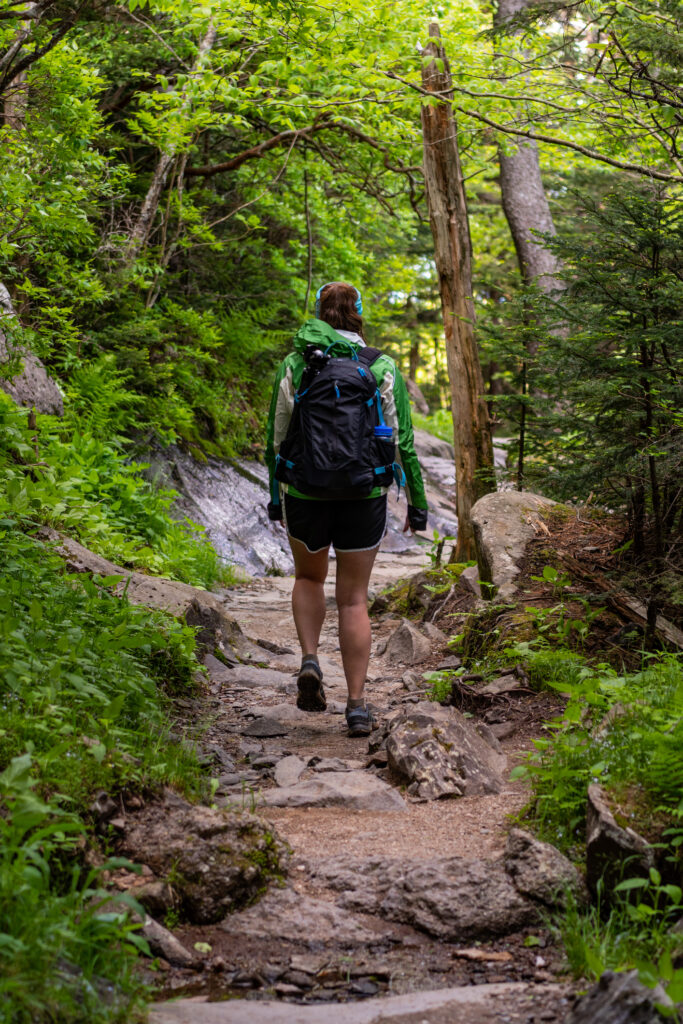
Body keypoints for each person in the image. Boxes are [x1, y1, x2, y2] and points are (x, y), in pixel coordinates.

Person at [265, 282, 428, 737]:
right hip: (364, 495)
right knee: (354, 599)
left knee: (308, 577)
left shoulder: (296, 362)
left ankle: (311, 660)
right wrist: (417, 504)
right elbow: (403, 443)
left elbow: (276, 438)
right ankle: (357, 706)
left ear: (319, 313)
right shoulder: (380, 365)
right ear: (359, 313)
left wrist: (276, 497)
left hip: (306, 492)